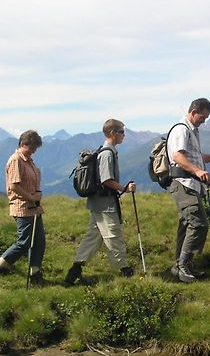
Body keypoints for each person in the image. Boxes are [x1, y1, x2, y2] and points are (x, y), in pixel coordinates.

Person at [167, 98, 210, 283]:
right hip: (184, 183)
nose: (204, 121)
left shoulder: (192, 131)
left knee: (187, 225)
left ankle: (181, 266)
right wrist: (197, 171)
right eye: (203, 117)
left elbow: (196, 156)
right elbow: (177, 156)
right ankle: (182, 266)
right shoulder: (181, 129)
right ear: (194, 112)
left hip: (191, 184)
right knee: (199, 224)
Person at [65, 119, 136, 285]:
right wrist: (125, 188)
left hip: (97, 203)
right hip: (105, 205)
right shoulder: (107, 154)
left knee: (93, 238)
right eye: (121, 132)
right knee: (113, 235)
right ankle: (125, 270)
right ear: (112, 133)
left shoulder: (104, 151)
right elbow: (106, 180)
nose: (124, 135)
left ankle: (74, 271)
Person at [0, 130, 48, 286]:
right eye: (33, 147)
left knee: (39, 241)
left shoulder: (28, 160)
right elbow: (14, 186)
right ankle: (2, 265)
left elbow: (31, 184)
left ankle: (35, 274)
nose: (35, 150)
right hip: (22, 207)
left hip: (33, 207)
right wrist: (32, 198)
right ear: (23, 144)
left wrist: (37, 202)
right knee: (24, 242)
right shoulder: (16, 160)